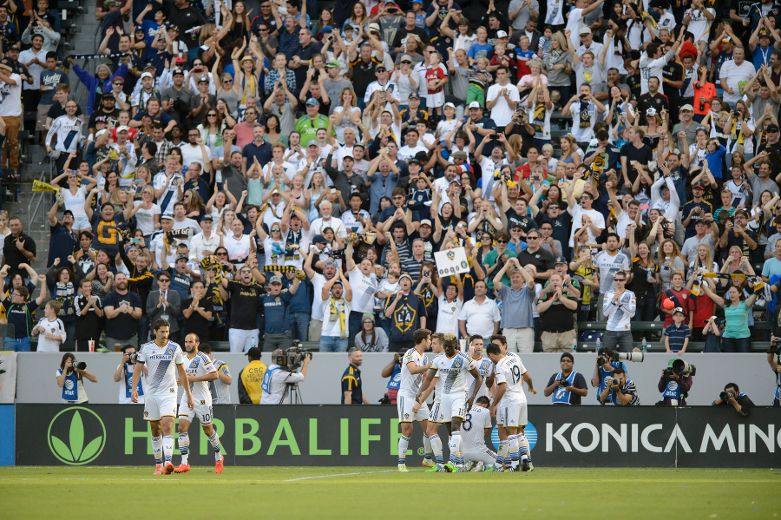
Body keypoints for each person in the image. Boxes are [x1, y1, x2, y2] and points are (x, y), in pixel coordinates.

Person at [131, 319, 193, 476]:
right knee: (155, 429)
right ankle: (158, 464)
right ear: (155, 332)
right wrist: (134, 390)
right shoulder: (146, 348)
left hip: (169, 393)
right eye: (162, 332)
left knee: (167, 425)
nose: (165, 335)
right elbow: (138, 370)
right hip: (151, 393)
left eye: (167, 331)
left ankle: (168, 463)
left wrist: (189, 395)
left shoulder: (175, 348)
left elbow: (182, 373)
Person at [414, 333, 482, 472]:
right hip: (444, 398)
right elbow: (428, 379)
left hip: (458, 396)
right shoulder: (438, 360)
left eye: (451, 347)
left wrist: (472, 396)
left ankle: (451, 462)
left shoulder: (464, 359)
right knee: (450, 432)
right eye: (446, 347)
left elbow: (478, 378)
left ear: (455, 345)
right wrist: (420, 390)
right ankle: (456, 463)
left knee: (455, 427)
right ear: (444, 346)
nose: (448, 349)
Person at [174, 333, 223, 474]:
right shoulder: (182, 359)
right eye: (186, 342)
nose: (188, 344)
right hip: (186, 397)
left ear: (197, 343)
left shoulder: (202, 357)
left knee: (208, 430)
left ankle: (219, 457)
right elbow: (184, 377)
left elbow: (215, 375)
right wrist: (180, 381)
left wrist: (195, 378)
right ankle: (184, 463)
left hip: (202, 399)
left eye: (191, 342)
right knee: (182, 427)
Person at [486, 340, 536, 472]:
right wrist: (531, 387)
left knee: (511, 432)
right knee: (520, 432)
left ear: (491, 355)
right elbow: (528, 376)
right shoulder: (514, 359)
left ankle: (514, 464)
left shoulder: (500, 366)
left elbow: (502, 387)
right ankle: (525, 459)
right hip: (522, 398)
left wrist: (494, 404)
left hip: (510, 400)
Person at [396, 328, 434, 472]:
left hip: (418, 396)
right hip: (406, 396)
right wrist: (430, 366)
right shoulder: (410, 353)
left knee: (430, 428)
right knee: (407, 430)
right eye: (429, 339)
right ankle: (401, 463)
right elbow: (412, 370)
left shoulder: (424, 357)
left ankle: (427, 458)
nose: (430, 342)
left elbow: (424, 378)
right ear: (423, 340)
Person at [262, 273, 302, 351]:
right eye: (274, 285)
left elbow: (293, 289)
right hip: (269, 336)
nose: (276, 287)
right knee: (267, 360)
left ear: (281, 286)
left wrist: (297, 277)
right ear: (269, 285)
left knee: (285, 361)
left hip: (284, 336)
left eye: (278, 285)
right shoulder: (263, 298)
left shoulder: (284, 296)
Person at [459, 396, 496, 472]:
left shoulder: (462, 409)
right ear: (485, 405)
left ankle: (470, 464)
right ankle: (483, 467)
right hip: (479, 451)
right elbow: (487, 430)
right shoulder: (486, 411)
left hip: (462, 454)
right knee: (501, 462)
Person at [602, 271, 636, 352]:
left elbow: (632, 314)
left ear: (625, 281)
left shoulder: (631, 294)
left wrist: (620, 303)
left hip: (625, 331)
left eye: (621, 280)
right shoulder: (608, 294)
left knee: (628, 358)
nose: (618, 282)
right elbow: (605, 313)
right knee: (605, 358)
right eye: (616, 279)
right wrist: (613, 301)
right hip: (610, 330)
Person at [320, 270, 352, 352]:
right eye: (335, 288)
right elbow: (325, 288)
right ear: (331, 291)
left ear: (342, 290)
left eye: (340, 288)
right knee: (323, 363)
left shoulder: (347, 303)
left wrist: (341, 276)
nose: (337, 290)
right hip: (326, 337)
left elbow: (349, 290)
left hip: (342, 339)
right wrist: (336, 276)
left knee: (340, 363)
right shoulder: (327, 301)